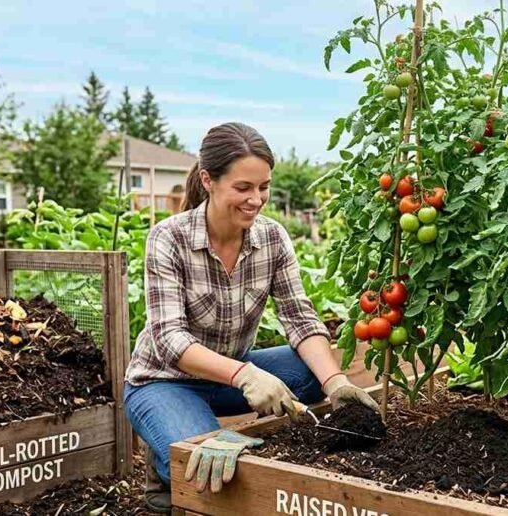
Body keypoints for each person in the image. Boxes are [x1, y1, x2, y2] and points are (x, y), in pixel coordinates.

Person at [123, 122, 377, 513]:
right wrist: (244, 375)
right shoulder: (169, 237)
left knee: (313, 370)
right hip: (164, 382)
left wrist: (336, 382)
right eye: (243, 188)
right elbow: (169, 339)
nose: (256, 200)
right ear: (208, 180)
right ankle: (163, 467)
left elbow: (300, 319)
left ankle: (194, 435)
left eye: (263, 187)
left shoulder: (271, 238)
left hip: (230, 377)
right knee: (209, 471)